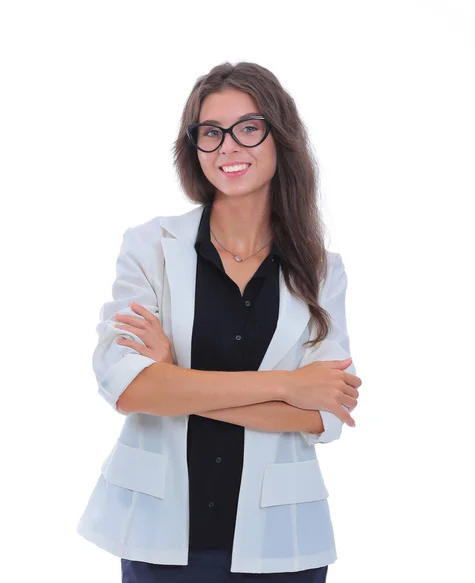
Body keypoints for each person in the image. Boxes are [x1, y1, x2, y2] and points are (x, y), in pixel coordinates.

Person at [76, 61, 361, 583]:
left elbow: (323, 415)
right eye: (211, 132)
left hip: (282, 543)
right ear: (195, 147)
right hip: (161, 539)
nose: (229, 146)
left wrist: (176, 382)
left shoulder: (322, 270)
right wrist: (289, 386)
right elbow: (128, 390)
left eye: (248, 128)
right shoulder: (149, 248)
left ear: (282, 137)